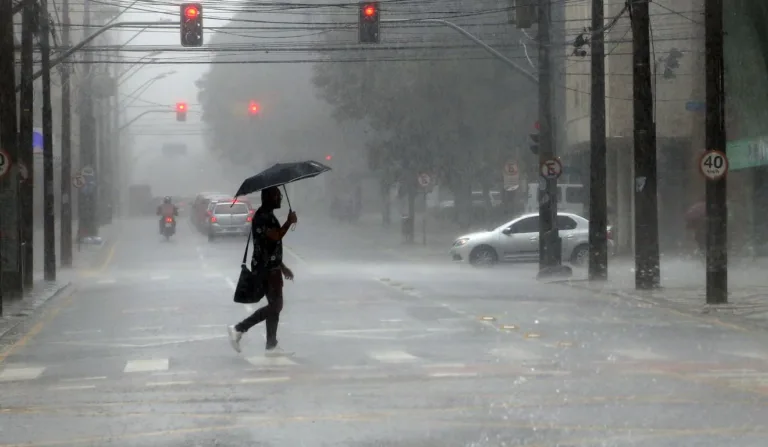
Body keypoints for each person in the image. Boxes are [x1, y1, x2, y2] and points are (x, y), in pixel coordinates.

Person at [228, 186, 297, 355]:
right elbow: (275, 236)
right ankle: (239, 328)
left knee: (275, 305)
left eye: (280, 195)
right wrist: (289, 222)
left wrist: (282, 266)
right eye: (277, 195)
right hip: (265, 269)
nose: (280, 198)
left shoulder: (268, 215)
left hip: (271, 267)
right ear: (268, 197)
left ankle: (271, 345)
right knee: (276, 305)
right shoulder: (262, 217)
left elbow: (270, 246)